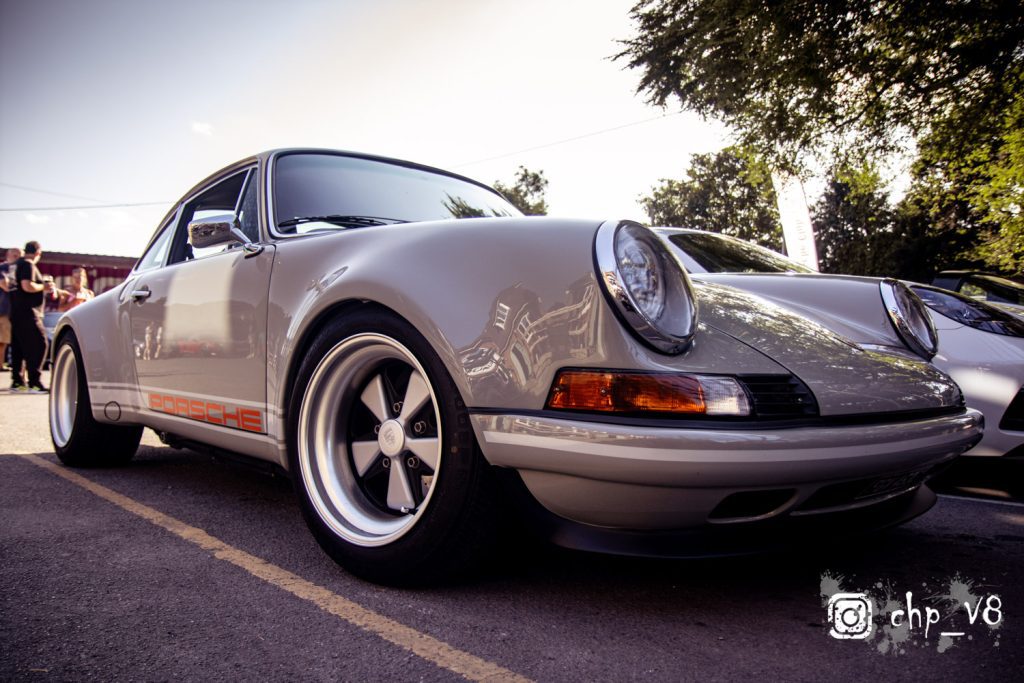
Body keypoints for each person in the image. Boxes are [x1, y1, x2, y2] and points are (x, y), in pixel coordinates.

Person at [9, 241, 54, 393]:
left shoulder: (15, 265)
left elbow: (9, 285)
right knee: (40, 344)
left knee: (19, 347)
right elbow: (27, 285)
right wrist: (44, 286)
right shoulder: (28, 264)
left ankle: (17, 382)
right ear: (38, 252)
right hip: (28, 312)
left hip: (15, 311)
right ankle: (34, 383)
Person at [0, 247, 23, 372]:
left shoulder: (19, 269)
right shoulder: (3, 268)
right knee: (2, 340)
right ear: (7, 255)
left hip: (11, 311)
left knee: (5, 340)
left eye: (19, 256)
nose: (16, 258)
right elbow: (5, 285)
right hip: (2, 310)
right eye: (14, 255)